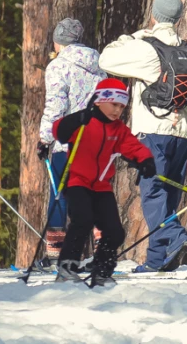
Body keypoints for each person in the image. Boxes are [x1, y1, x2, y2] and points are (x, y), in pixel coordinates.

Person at [99, 0, 187, 273]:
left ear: (154, 14)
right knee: (168, 193)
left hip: (151, 129)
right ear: (179, 17)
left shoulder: (146, 47)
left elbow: (106, 59)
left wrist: (131, 37)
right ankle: (159, 260)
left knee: (151, 191)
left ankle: (173, 236)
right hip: (182, 132)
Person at [50, 78, 156, 287]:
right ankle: (67, 267)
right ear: (100, 100)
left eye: (121, 106)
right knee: (83, 220)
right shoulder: (84, 121)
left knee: (115, 231)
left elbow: (133, 147)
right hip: (77, 181)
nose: (118, 110)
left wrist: (146, 160)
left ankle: (102, 270)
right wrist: (78, 118)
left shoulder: (118, 129)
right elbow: (58, 132)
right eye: (114, 104)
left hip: (101, 185)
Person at [36, 18, 106, 262]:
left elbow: (56, 107)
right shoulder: (99, 66)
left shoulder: (58, 67)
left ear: (59, 42)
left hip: (67, 143)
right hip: (96, 143)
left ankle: (56, 254)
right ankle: (102, 249)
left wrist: (45, 138)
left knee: (60, 193)